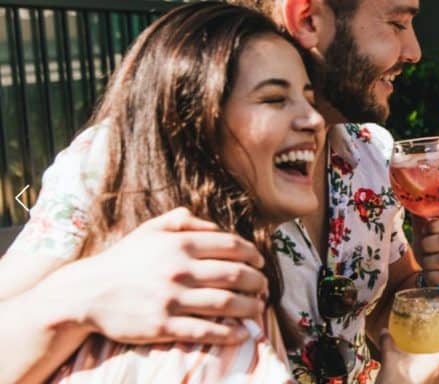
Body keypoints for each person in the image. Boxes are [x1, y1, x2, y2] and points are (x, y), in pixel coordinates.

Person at [0, 0, 439, 383]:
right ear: (309, 17)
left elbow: (384, 301)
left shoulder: (372, 155)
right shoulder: (131, 154)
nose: (415, 50)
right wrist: (90, 289)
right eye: (397, 23)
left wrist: (429, 285)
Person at [0, 3, 323, 382]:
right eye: (274, 99)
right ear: (193, 123)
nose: (314, 120)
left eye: (309, 100)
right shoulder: (194, 313)